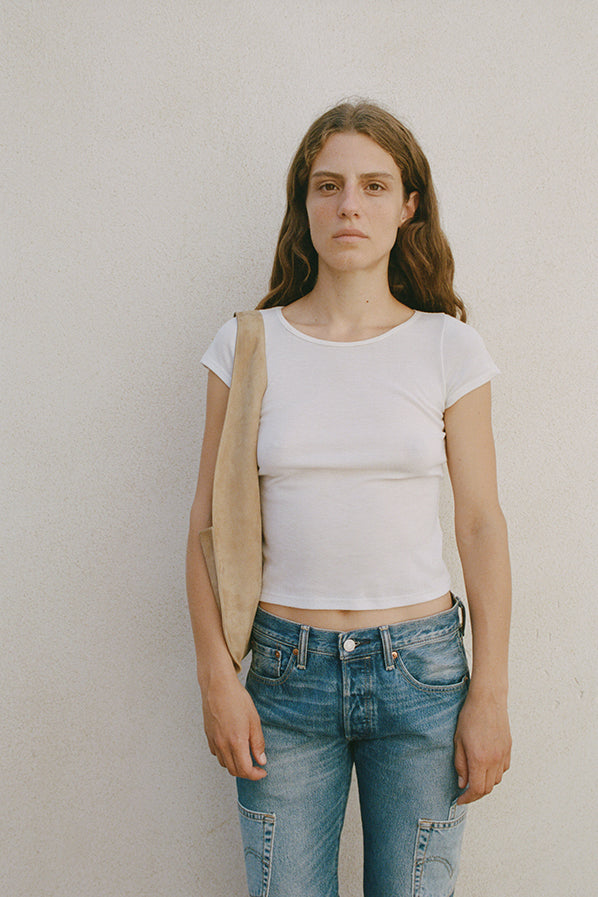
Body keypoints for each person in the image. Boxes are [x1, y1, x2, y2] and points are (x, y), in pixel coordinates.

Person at [186, 100, 511, 897]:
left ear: (408, 207)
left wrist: (491, 692)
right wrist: (217, 679)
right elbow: (205, 527)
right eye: (328, 185)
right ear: (304, 203)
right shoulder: (248, 343)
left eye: (374, 185)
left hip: (424, 674)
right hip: (285, 676)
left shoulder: (448, 346)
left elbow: (480, 525)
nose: (349, 206)